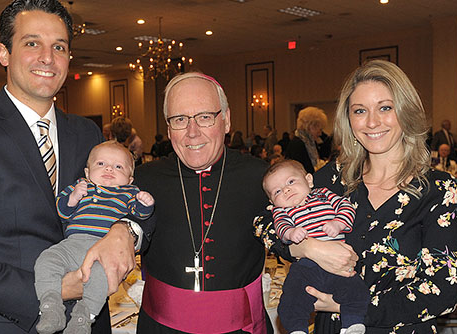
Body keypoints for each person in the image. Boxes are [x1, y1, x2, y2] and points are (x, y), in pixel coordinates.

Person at [0, 0, 137, 334]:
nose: (47, 58)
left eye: (59, 47)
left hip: (88, 322)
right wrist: (54, 290)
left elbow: (134, 200)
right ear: (4, 53)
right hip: (7, 323)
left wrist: (125, 230)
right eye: (32, 43)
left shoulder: (86, 132)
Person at [133, 72, 356, 334]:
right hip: (160, 328)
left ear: (226, 120)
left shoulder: (262, 177)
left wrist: (310, 247)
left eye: (204, 117)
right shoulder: (143, 179)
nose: (192, 133)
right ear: (168, 128)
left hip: (242, 328)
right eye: (179, 119)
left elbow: (288, 229)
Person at [308, 60, 457, 333]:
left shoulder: (437, 190)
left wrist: (351, 307)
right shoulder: (334, 179)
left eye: (385, 108)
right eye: (360, 111)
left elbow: (443, 291)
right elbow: (268, 220)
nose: (371, 122)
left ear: (405, 112)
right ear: (349, 119)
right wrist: (305, 247)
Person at [34, 141, 154, 334]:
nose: (109, 168)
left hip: (103, 250)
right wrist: (73, 198)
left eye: (118, 167)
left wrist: (145, 204)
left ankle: (83, 318)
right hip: (72, 245)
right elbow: (61, 212)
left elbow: (139, 215)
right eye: (101, 164)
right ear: (88, 172)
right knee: (46, 260)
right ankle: (50, 306)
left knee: (101, 278)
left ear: (130, 179)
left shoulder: (129, 193)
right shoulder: (81, 187)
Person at [261, 160, 368, 334]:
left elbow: (346, 207)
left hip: (338, 264)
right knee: (292, 296)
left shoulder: (324, 194)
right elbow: (280, 227)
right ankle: (297, 329)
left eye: (290, 182)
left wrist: (338, 223)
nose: (286, 190)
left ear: (309, 180)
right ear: (272, 200)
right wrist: (290, 233)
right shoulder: (281, 211)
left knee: (355, 290)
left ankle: (352, 325)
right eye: (277, 191)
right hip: (306, 267)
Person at [285, 106, 328, 174]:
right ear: (310, 126)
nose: (320, 134)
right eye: (319, 130)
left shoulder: (311, 143)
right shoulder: (297, 145)